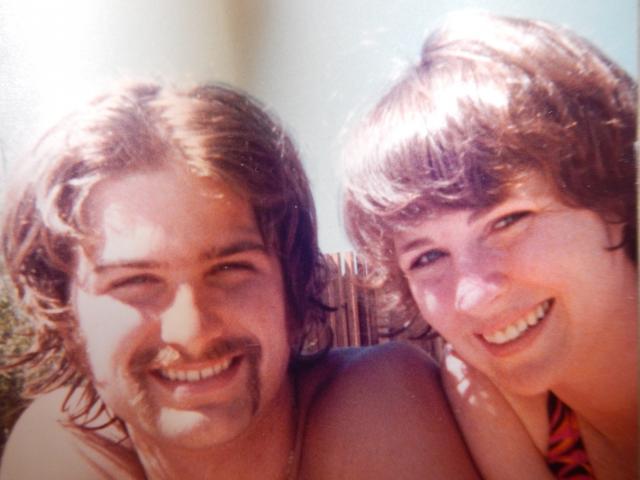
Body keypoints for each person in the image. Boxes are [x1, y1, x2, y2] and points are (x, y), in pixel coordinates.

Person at [0, 82, 478, 479]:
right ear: (66, 318)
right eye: (135, 281)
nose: (191, 332)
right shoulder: (59, 453)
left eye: (229, 269)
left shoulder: (376, 400)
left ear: (293, 291)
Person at [342, 12, 636, 480]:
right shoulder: (485, 387)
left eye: (509, 220)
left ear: (615, 197)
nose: (474, 297)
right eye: (427, 257)